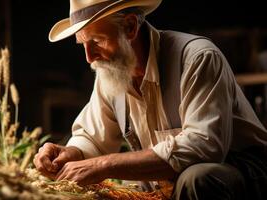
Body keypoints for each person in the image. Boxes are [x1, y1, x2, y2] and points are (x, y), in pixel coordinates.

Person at [34, 0, 267, 199]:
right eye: (82, 44)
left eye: (97, 41)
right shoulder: (111, 71)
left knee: (196, 178)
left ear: (130, 27)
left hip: (242, 174)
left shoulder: (197, 58)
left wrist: (102, 165)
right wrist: (70, 153)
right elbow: (93, 138)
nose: (89, 57)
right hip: (166, 185)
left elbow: (204, 145)